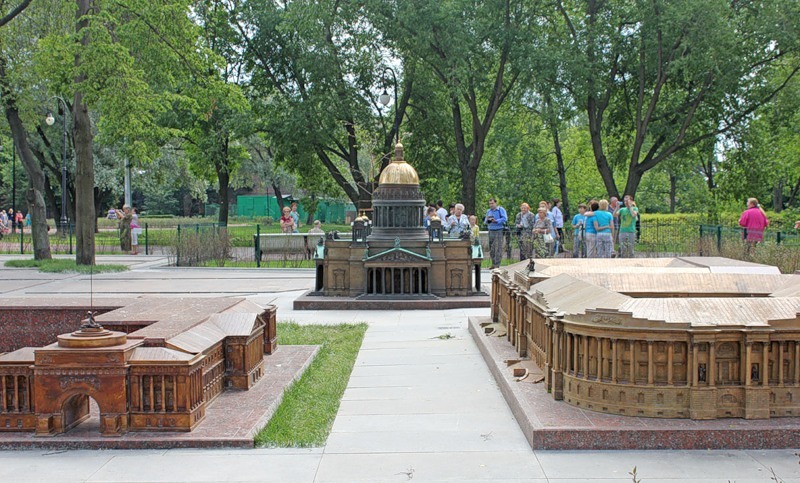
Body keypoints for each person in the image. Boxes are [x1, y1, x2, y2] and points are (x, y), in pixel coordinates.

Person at [484, 198, 507, 269]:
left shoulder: (501, 209)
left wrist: (496, 221)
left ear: (496, 203)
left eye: (492, 203)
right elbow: (485, 221)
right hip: (491, 230)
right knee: (492, 248)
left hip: (499, 230)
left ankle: (497, 264)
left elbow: (505, 219)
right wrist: (488, 220)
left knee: (498, 248)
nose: (491, 205)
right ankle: (493, 263)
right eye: (490, 204)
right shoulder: (488, 211)